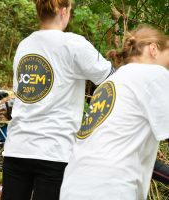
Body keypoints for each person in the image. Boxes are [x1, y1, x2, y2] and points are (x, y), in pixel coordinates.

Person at [1, 0, 114, 199]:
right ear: (63, 11)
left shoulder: (24, 44)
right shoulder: (74, 44)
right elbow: (111, 80)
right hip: (55, 151)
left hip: (17, 147)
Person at [60, 24, 169, 200]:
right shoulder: (154, 74)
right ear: (154, 49)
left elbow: (115, 148)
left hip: (73, 186)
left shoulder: (111, 82)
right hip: (111, 189)